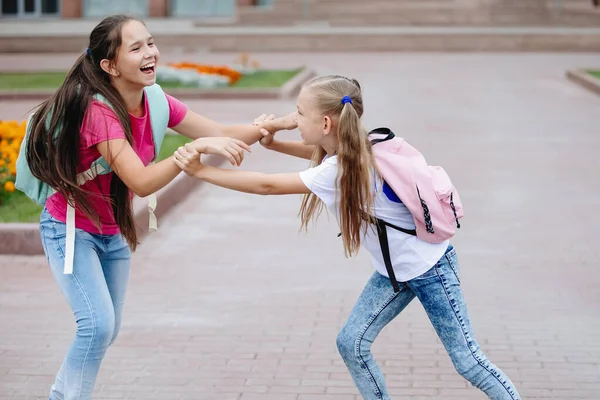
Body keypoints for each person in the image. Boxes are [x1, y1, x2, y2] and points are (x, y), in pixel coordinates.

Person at [173, 74, 522, 400]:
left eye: (299, 113)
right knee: (351, 342)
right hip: (396, 272)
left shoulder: (339, 167)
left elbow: (267, 185)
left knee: (468, 361)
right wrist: (275, 142)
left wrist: (201, 171)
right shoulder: (359, 147)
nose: (294, 119)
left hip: (430, 270)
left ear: (325, 123)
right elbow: (321, 157)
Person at [20, 14, 293, 400]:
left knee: (107, 329)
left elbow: (221, 133)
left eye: (150, 42)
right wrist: (193, 151)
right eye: (136, 48)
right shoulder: (99, 114)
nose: (151, 53)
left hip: (111, 231)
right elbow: (142, 181)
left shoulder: (155, 100)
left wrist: (273, 126)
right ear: (109, 66)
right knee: (96, 327)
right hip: (70, 230)